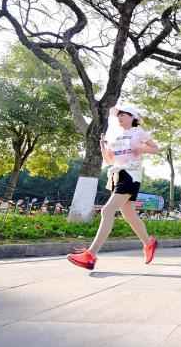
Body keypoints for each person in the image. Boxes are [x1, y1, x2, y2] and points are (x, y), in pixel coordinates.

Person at [67, 103, 160, 270]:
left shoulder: (138, 132)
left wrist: (139, 147)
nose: (120, 117)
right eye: (118, 115)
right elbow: (110, 160)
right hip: (118, 176)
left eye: (123, 114)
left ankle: (90, 255)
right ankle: (149, 243)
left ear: (133, 117)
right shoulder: (117, 137)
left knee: (107, 210)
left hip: (131, 176)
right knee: (129, 215)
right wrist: (103, 146)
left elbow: (156, 148)